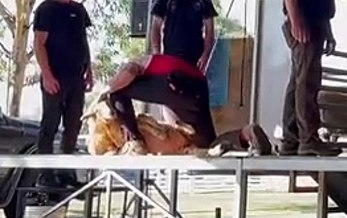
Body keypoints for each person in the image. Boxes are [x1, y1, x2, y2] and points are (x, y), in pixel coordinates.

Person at [100, 53, 272, 155]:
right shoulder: (163, 62)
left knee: (116, 91)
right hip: (197, 86)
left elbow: (130, 71)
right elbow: (171, 105)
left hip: (174, 81)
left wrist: (107, 89)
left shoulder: (137, 62)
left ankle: (135, 142)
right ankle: (245, 134)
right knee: (206, 144)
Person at [280, 0, 342, 155]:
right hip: (303, 22)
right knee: (307, 81)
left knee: (299, 81)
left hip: (315, 22)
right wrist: (296, 22)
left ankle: (291, 138)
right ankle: (308, 137)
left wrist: (327, 29)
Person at [32, 0, 93, 155]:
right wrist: (47, 75)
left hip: (76, 76)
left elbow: (83, 41)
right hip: (55, 75)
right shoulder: (46, 9)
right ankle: (45, 173)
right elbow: (39, 43)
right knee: (50, 123)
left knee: (74, 124)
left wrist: (89, 70)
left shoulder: (79, 10)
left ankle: (66, 171)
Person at [151, 0, 218, 72]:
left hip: (195, 61)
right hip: (171, 58)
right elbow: (156, 27)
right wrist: (157, 53)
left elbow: (210, 32)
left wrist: (205, 55)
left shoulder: (203, 1)